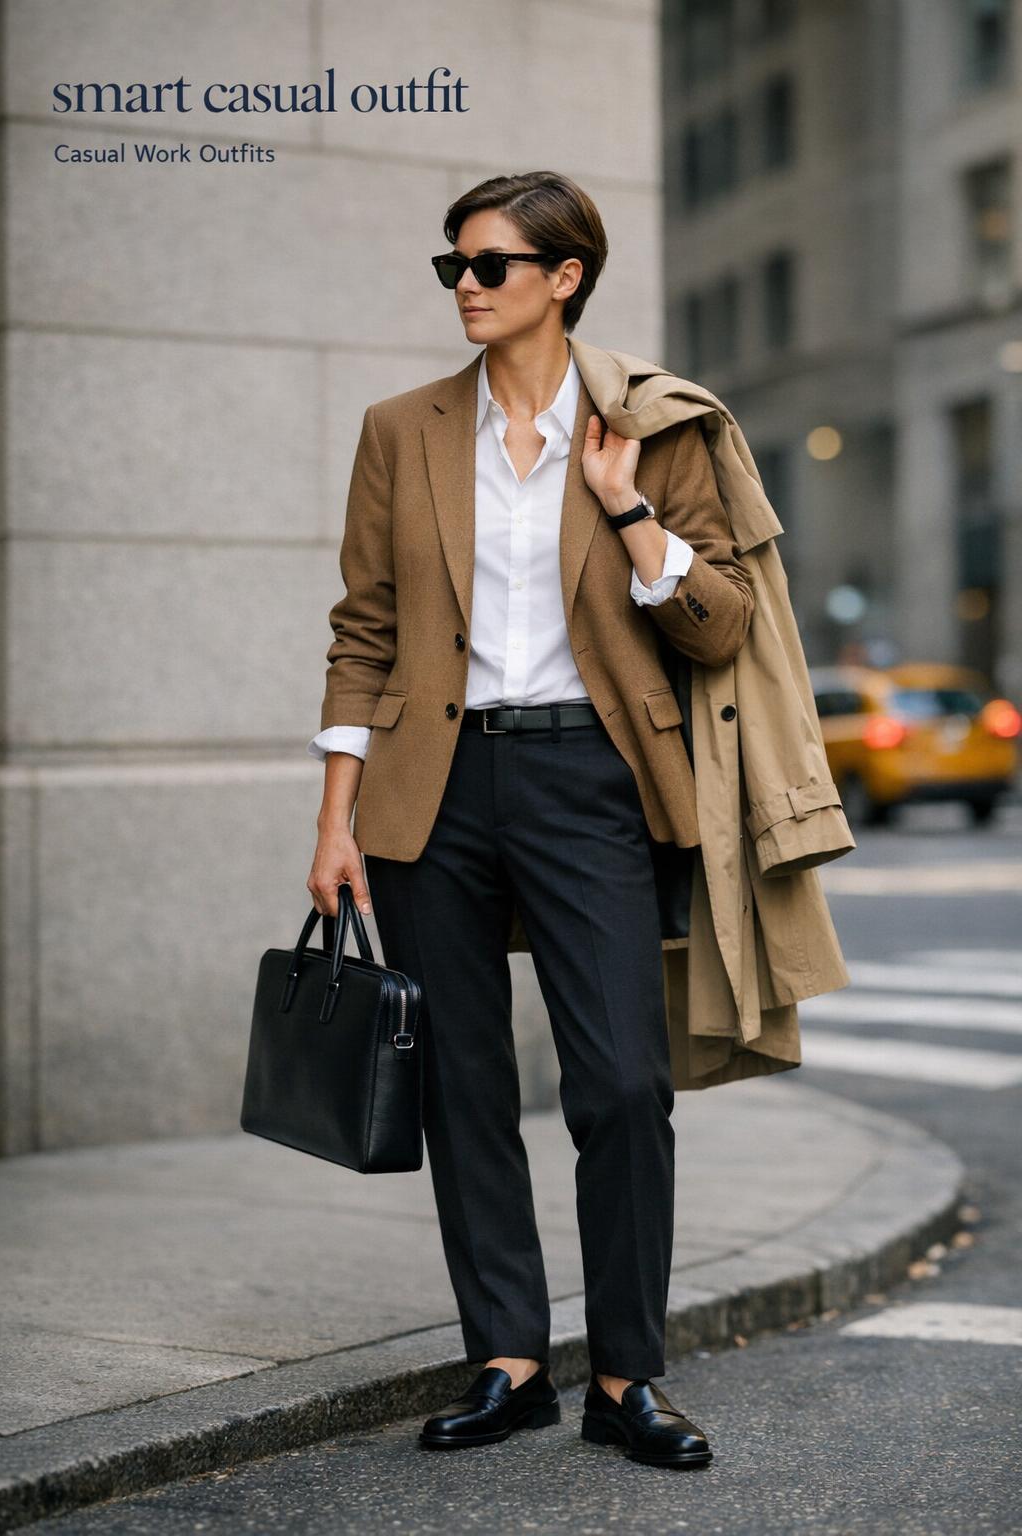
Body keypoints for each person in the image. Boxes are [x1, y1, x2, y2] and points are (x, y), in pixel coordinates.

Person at [306, 170, 755, 1469]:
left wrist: (627, 512)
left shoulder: (654, 429)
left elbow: (720, 617)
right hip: (430, 788)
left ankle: (625, 1376)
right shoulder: (403, 429)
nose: (465, 287)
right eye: (451, 266)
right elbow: (365, 633)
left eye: (490, 266)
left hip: (587, 781)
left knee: (620, 1081)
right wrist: (336, 818)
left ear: (564, 277)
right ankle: (509, 1360)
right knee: (462, 1080)